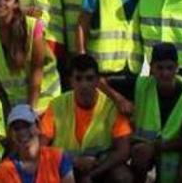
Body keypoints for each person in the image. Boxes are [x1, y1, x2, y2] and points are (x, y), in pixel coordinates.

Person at [39, 54, 134, 182]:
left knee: (123, 177)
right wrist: (72, 161)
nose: (84, 85)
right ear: (70, 81)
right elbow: (40, 147)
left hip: (99, 167)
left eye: (89, 78)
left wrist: (92, 174)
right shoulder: (56, 105)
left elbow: (123, 151)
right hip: (64, 167)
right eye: (78, 79)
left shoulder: (111, 106)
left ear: (97, 81)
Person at [130, 44, 182, 182]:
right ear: (151, 68)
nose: (165, 73)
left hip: (177, 152)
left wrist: (155, 147)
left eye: (170, 68)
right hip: (147, 150)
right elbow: (102, 82)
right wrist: (120, 100)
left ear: (177, 67)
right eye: (160, 68)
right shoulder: (142, 84)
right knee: (139, 152)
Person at [0, 0, 60, 112]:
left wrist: (30, 110)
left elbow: (37, 70)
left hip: (44, 101)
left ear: (15, 5)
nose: (1, 2)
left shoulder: (32, 26)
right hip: (17, 105)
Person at [0, 104, 75, 183]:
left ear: (38, 126)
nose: (22, 132)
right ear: (11, 135)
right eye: (17, 128)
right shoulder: (3, 171)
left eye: (27, 125)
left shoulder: (58, 158)